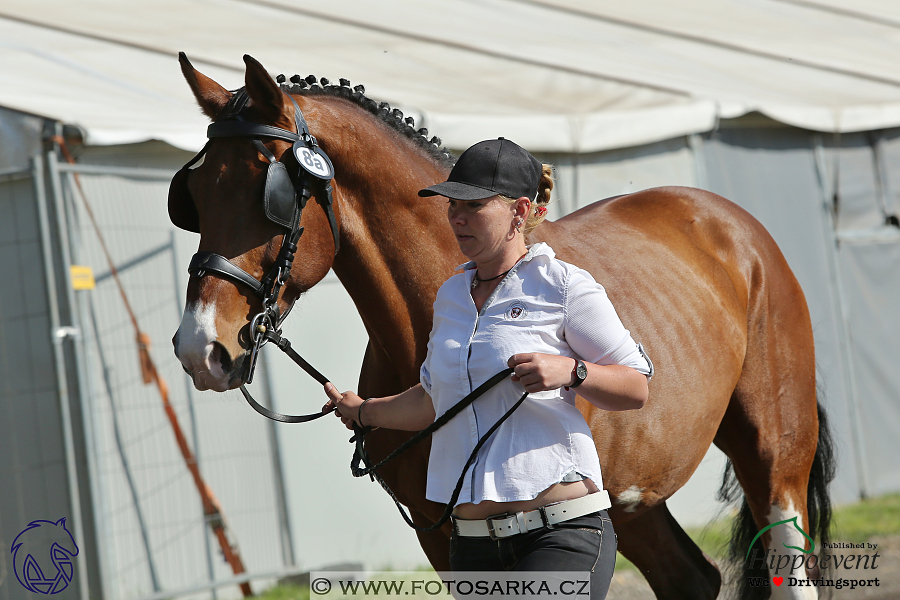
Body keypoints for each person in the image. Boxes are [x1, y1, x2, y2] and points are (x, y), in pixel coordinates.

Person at [323, 138, 653, 599]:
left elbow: (636, 385)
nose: (456, 217)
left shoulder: (564, 286)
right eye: (453, 204)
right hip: (473, 548)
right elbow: (435, 400)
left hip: (561, 535)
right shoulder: (451, 296)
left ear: (520, 211)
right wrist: (364, 411)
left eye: (473, 206)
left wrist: (573, 372)